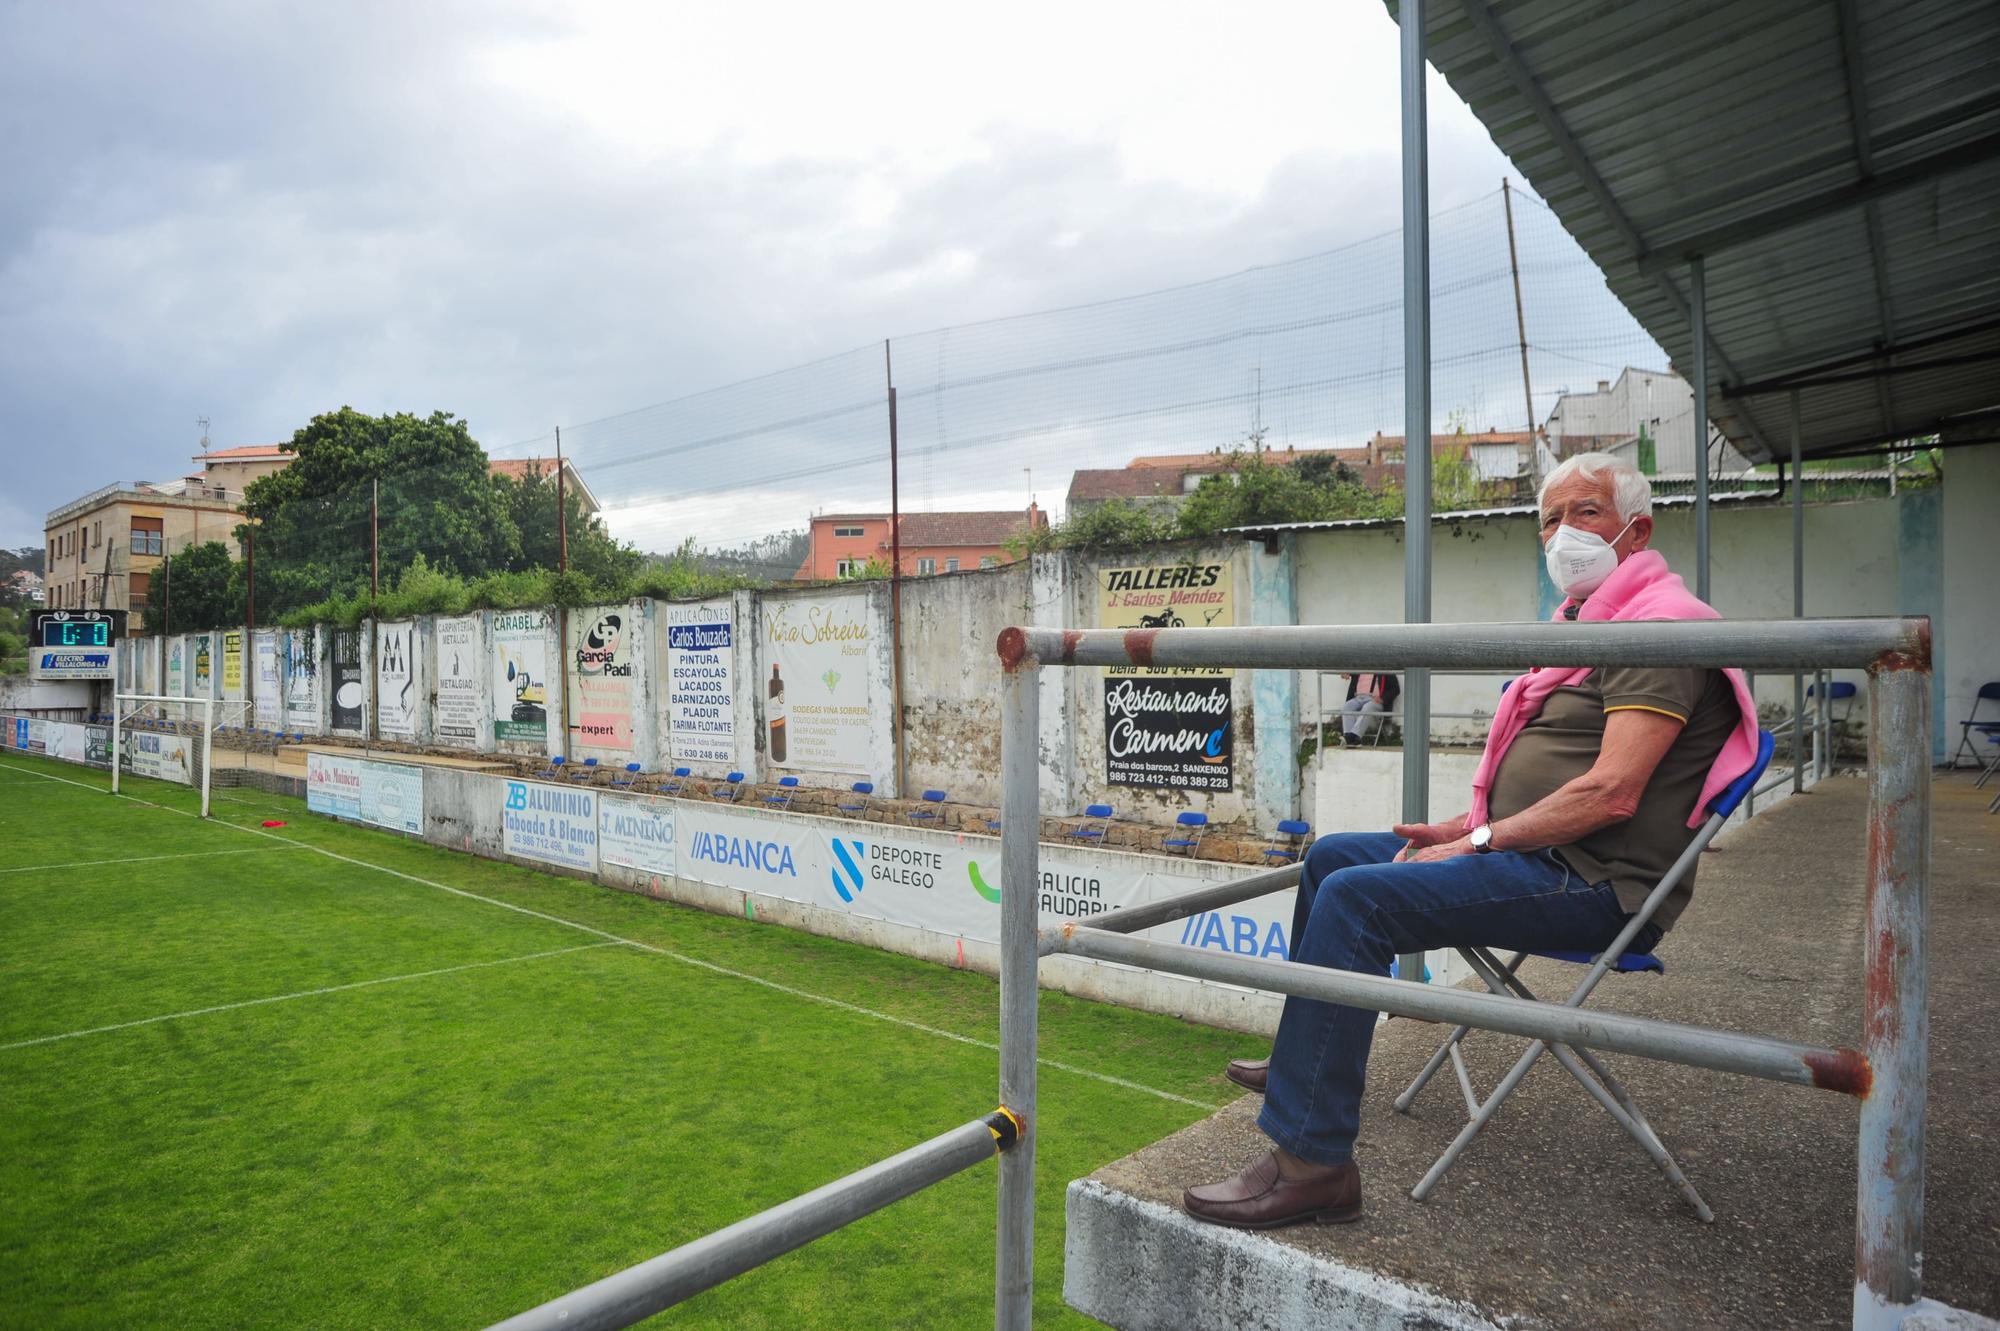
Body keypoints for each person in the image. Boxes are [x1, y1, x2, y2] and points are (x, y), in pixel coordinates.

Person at [1182, 452, 1759, 1230]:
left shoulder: (1654, 632)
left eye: (1583, 513)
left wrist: (1478, 840)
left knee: (1357, 901)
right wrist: (1463, 829)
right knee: (1331, 859)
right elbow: (1563, 778)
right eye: (1549, 520)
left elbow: (1610, 791)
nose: (1562, 535)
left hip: (1594, 885)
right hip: (1536, 856)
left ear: (1636, 529)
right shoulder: (1592, 628)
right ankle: (1303, 1068)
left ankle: (1312, 1165)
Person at [1338, 672, 1400, 743]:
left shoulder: (1384, 669)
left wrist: (1383, 699)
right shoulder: (1361, 667)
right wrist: (1345, 671)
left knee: (1368, 707)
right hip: (1358, 698)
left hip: (1374, 700)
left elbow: (1395, 689)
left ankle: (1355, 736)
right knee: (1346, 707)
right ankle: (1348, 736)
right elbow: (1348, 667)